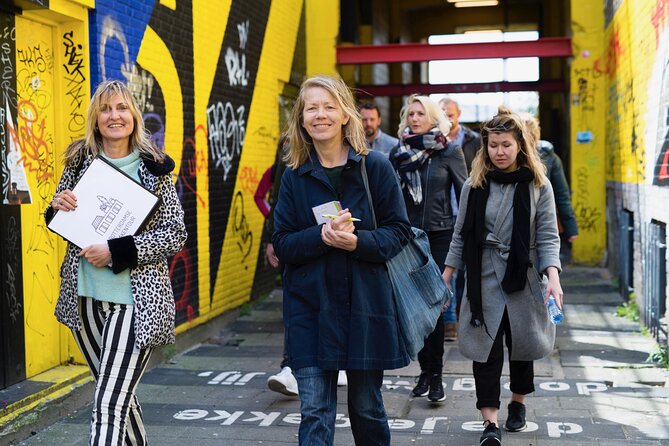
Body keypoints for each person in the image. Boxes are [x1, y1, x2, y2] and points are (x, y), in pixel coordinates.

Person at [44, 79, 187, 446]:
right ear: (96, 118)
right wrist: (56, 208)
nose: (114, 116)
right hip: (85, 302)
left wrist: (117, 251)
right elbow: (61, 220)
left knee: (108, 402)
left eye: (121, 108)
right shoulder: (80, 161)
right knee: (121, 400)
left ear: (134, 116)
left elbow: (175, 233)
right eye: (106, 109)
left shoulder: (154, 169)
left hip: (136, 303)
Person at [272, 74, 412, 446]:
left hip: (366, 306)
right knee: (315, 411)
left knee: (367, 409)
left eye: (329, 106)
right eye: (311, 108)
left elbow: (399, 232)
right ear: (301, 118)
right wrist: (321, 236)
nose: (320, 115)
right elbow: (282, 243)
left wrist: (357, 243)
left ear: (345, 115)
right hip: (311, 309)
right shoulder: (293, 177)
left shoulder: (376, 167)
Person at [442, 107, 563, 446]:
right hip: (484, 279)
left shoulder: (540, 185)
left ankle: (518, 402)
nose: (499, 152)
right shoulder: (474, 185)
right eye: (493, 145)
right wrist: (447, 276)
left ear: (520, 145)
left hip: (524, 278)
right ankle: (489, 423)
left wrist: (552, 277)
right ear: (486, 147)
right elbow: (460, 235)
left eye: (506, 145)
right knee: (486, 351)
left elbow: (548, 238)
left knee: (522, 347)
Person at [389, 94, 467, 402]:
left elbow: (465, 196)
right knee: (414, 308)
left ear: (433, 118)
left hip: (440, 236)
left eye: (421, 113)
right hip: (407, 238)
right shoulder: (398, 153)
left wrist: (466, 241)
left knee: (434, 308)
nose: (415, 118)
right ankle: (425, 370)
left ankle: (436, 376)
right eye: (411, 113)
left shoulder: (450, 152)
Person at [439, 96, 482, 341]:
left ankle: (464, 314)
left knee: (467, 268)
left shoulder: (474, 142)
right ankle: (451, 321)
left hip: (468, 211)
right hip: (446, 215)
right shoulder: (434, 143)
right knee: (450, 269)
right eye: (442, 114)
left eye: (451, 115)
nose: (447, 118)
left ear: (459, 114)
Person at [520, 114, 579, 244]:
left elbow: (561, 194)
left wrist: (570, 227)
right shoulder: (511, 159)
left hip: (543, 220)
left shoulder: (550, 158)